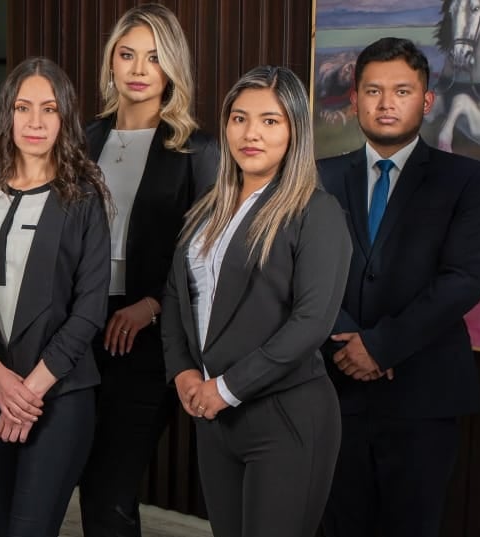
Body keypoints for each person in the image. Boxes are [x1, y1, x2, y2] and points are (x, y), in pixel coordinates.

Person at [319, 37, 480, 537]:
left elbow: (466, 277)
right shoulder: (319, 177)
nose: (386, 103)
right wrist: (346, 341)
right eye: (373, 91)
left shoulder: (467, 181)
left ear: (427, 100)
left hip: (423, 393)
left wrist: (380, 346)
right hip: (334, 386)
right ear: (355, 99)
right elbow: (299, 270)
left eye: (402, 91)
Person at [160, 65, 350, 537]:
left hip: (284, 415)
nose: (251, 134)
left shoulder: (315, 211)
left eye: (270, 120)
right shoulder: (207, 208)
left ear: (294, 130)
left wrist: (224, 388)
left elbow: (310, 323)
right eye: (239, 118)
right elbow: (176, 296)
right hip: (213, 418)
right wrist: (183, 372)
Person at [0, 57, 110, 537]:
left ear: (65, 117)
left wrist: (28, 391)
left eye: (49, 109)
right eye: (23, 108)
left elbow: (89, 310)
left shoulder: (84, 197)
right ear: (6, 114)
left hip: (58, 396)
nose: (35, 122)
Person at [77, 5, 219, 535]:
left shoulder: (197, 149)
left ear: (172, 67)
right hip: (80, 327)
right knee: (88, 477)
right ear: (111, 63)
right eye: (127, 54)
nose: (139, 69)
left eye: (154, 57)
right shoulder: (83, 140)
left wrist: (153, 303)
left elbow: (206, 251)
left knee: (110, 482)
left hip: (149, 336)